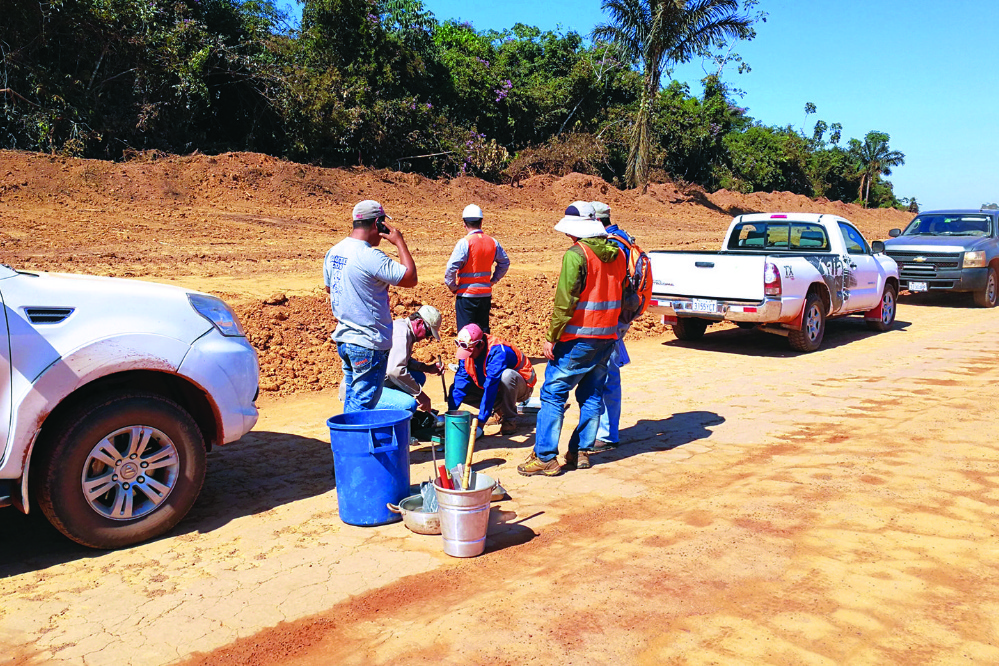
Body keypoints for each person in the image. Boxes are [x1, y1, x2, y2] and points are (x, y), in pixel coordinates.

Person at [517, 201, 627, 477]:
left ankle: (544, 457)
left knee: (553, 394)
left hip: (577, 338)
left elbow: (565, 303)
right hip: (607, 338)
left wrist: (551, 337)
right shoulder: (619, 254)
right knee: (591, 395)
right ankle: (580, 453)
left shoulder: (577, 255)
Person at [324, 200, 417, 412]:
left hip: (346, 339)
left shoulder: (334, 252)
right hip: (368, 342)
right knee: (364, 405)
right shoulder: (370, 257)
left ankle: (350, 443)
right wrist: (400, 242)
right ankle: (356, 445)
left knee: (353, 398)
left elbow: (330, 288)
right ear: (378, 223)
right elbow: (410, 278)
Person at [337, 305, 443, 414]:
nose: (426, 338)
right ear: (419, 323)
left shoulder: (402, 327)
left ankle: (397, 407)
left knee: (418, 377)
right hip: (360, 391)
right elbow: (395, 371)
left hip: (375, 381)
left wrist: (426, 368)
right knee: (409, 405)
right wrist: (420, 395)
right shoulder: (402, 335)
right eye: (429, 333)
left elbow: (401, 361)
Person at [591, 201, 632, 453]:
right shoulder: (623, 238)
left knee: (607, 375)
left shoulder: (611, 244)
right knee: (607, 370)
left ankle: (607, 435)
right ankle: (606, 430)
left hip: (611, 316)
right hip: (619, 314)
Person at [448, 323, 536, 438]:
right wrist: (450, 415)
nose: (468, 356)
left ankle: (510, 419)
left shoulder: (497, 352)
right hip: (499, 389)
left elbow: (491, 388)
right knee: (454, 388)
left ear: (480, 345)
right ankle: (498, 410)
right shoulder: (467, 352)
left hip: (521, 387)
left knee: (506, 376)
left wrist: (480, 424)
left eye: (470, 352)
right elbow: (460, 383)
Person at [444, 204, 510, 333]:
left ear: (464, 224)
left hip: (466, 295)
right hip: (485, 295)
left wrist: (452, 286)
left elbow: (451, 267)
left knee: (466, 335)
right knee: (483, 333)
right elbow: (505, 262)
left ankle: (468, 354)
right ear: (481, 223)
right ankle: (484, 353)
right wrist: (493, 280)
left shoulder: (464, 243)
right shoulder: (493, 242)